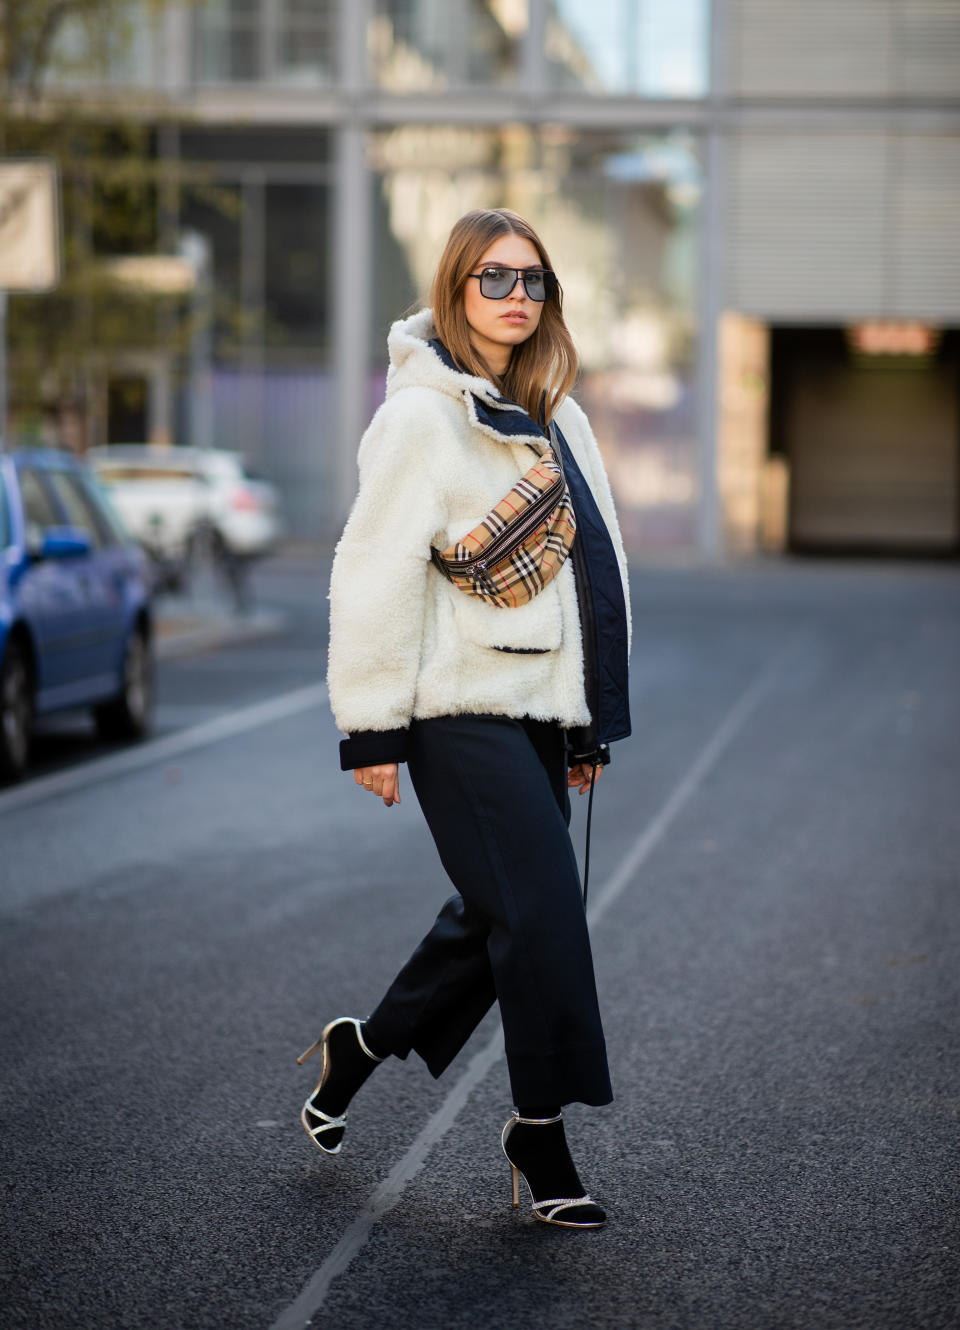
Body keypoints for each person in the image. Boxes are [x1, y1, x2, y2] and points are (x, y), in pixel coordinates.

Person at [299, 208, 631, 1229]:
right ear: (456, 288)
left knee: (493, 916)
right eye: (495, 279)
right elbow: (374, 572)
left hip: (538, 707)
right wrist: (371, 727)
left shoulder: (559, 417)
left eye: (534, 281)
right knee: (540, 911)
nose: (518, 297)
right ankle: (539, 1132)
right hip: (454, 710)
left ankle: (358, 1048)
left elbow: (591, 578)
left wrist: (585, 726)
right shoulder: (420, 419)